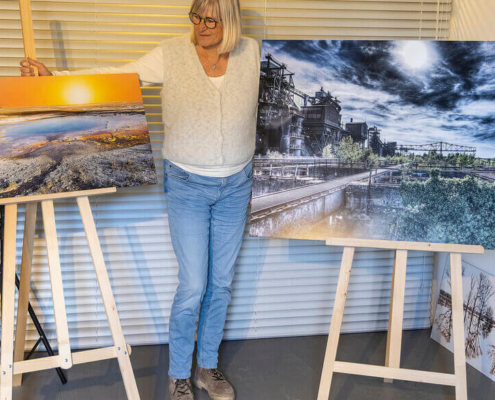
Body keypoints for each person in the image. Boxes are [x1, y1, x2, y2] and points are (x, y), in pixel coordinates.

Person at [20, 0, 260, 399]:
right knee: (193, 285)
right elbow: (116, 74)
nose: (201, 26)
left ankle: (207, 367)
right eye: (196, 17)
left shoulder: (252, 53)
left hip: (237, 185)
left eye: (211, 20)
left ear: (230, 21)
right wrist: (54, 76)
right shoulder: (172, 53)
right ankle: (179, 374)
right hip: (188, 185)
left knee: (221, 284)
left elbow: (276, 110)